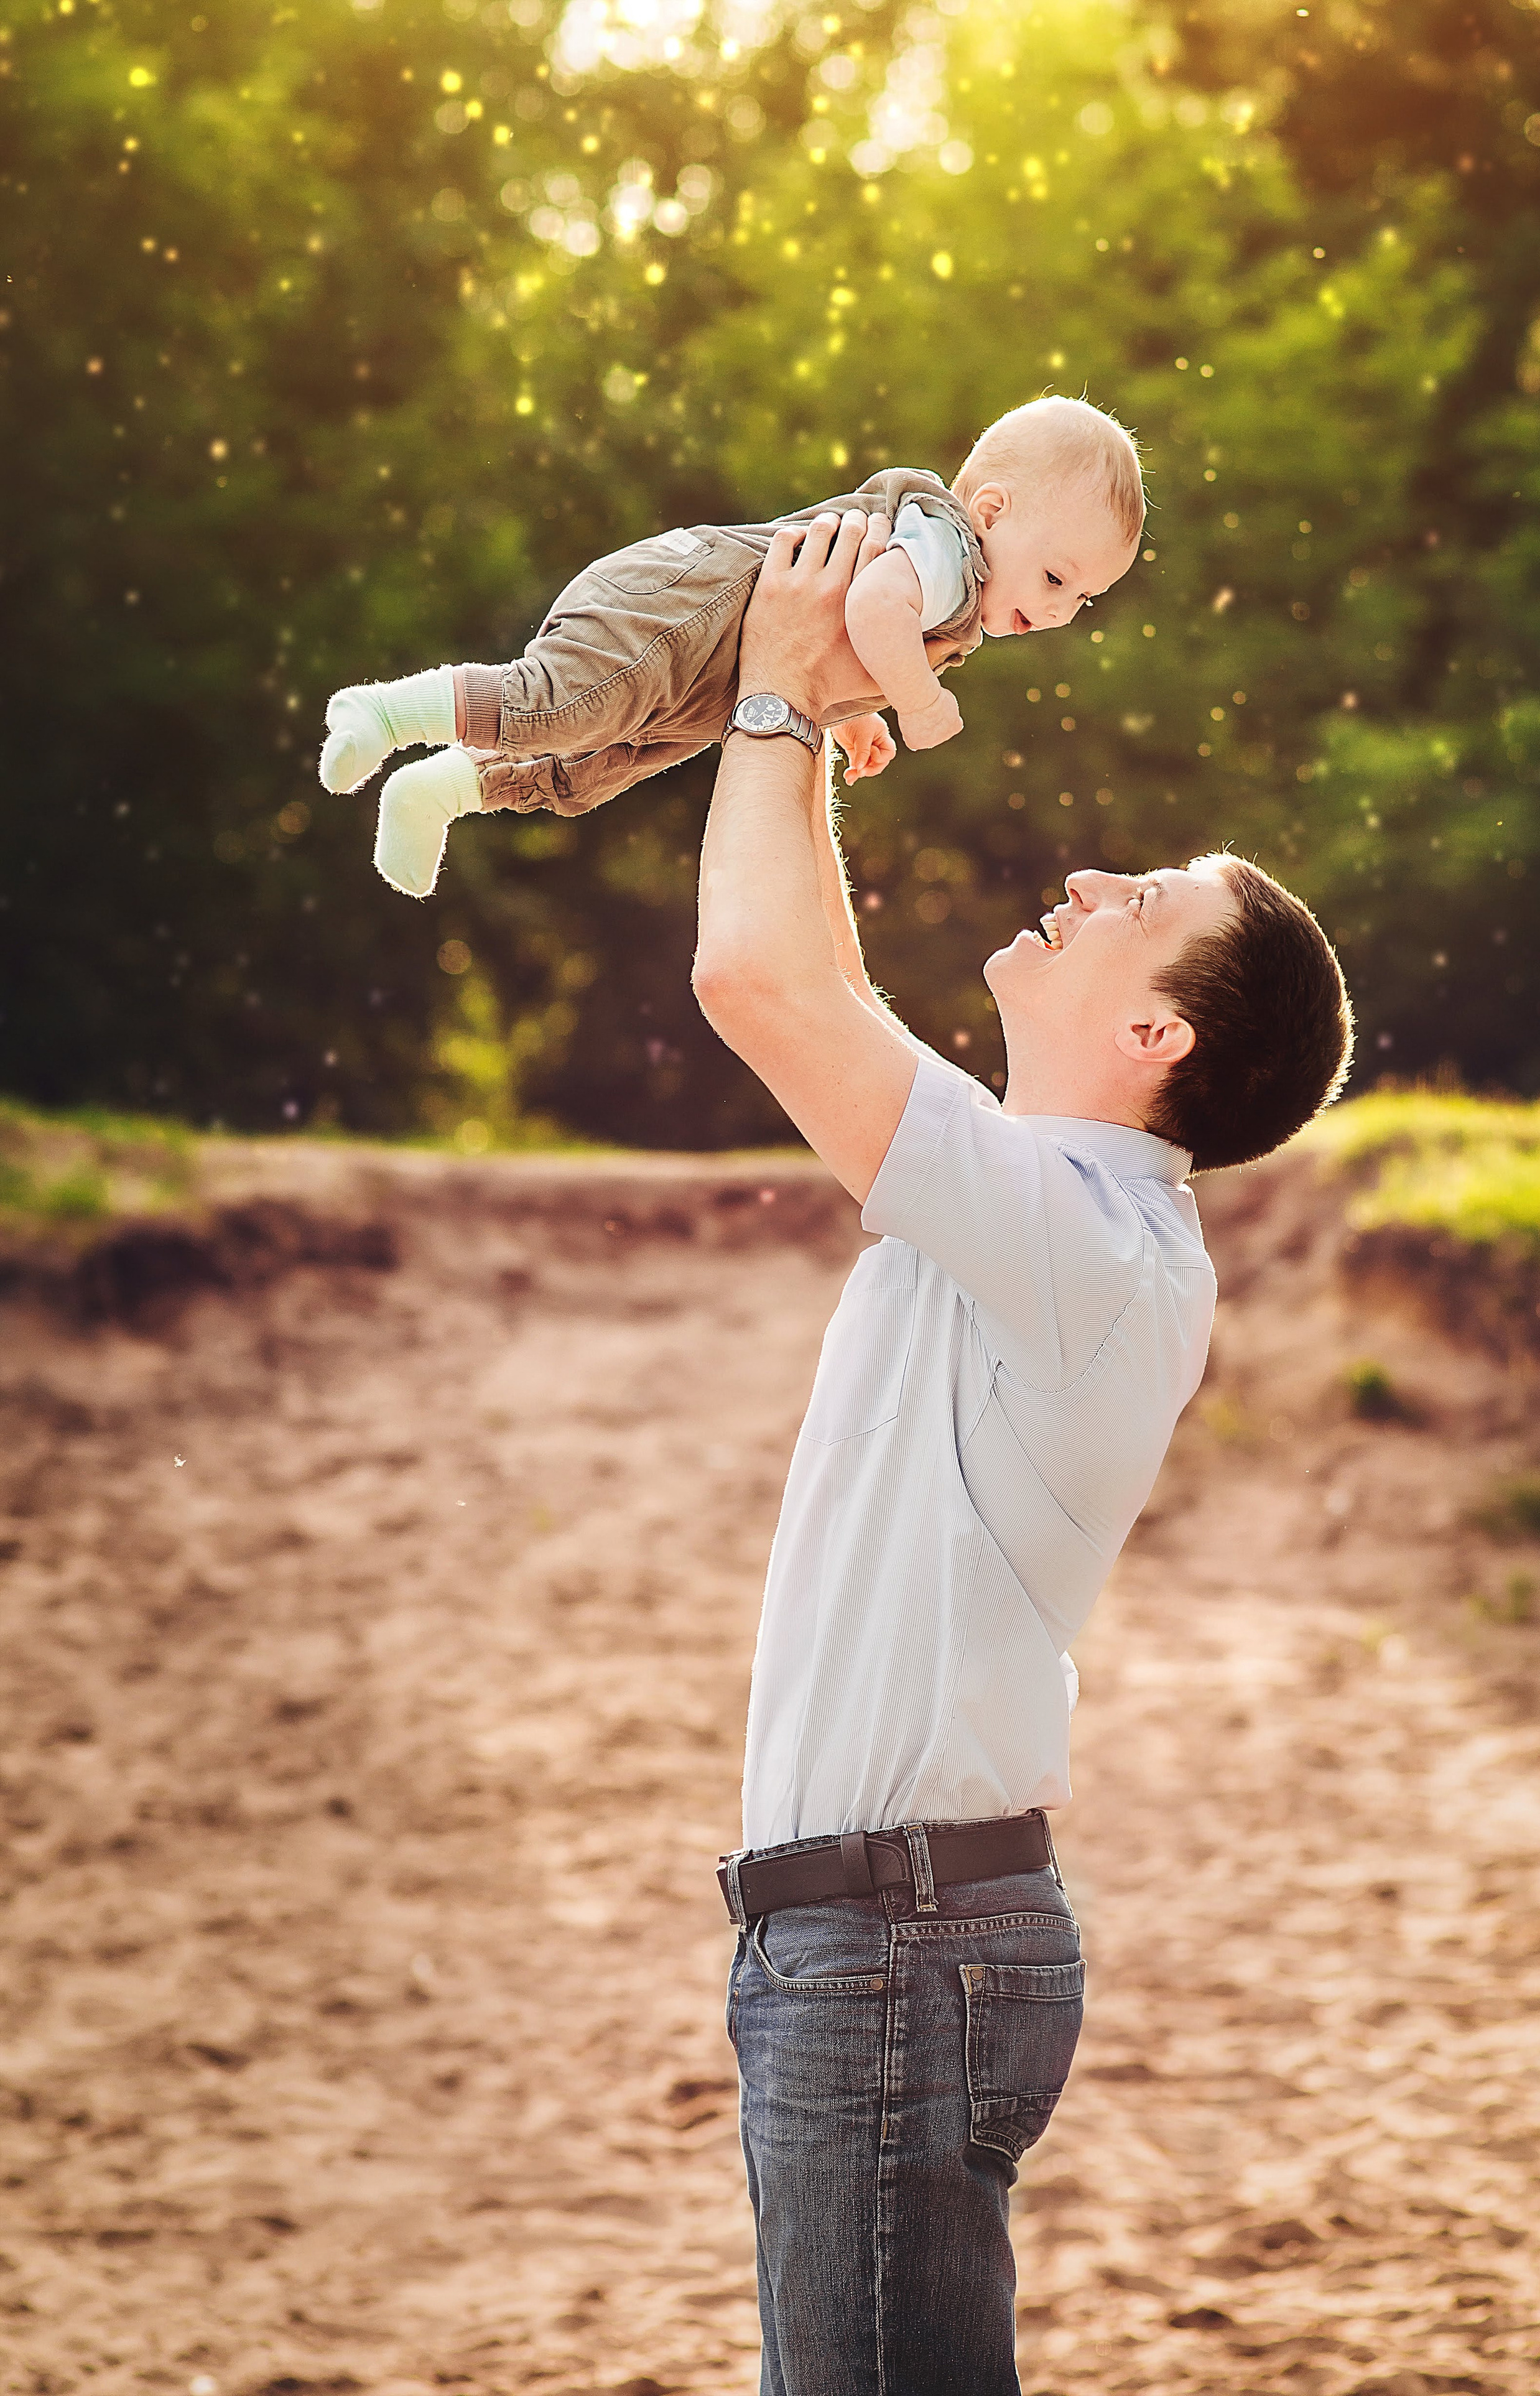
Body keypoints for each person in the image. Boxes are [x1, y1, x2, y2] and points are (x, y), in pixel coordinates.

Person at [690, 507, 1353, 2394]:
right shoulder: (1043, 1205)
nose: (1088, 874)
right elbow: (819, 980)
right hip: (879, 1939)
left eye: (1141, 896)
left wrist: (767, 691)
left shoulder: (1087, 1238)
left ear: (1155, 1024)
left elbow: (759, 987)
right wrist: (807, 716)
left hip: (896, 1947)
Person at [317, 395, 1142, 897]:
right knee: (562, 705)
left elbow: (851, 634)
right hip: (682, 610)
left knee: (593, 767)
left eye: (1084, 599)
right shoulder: (950, 550)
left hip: (712, 674)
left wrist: (855, 713)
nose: (1064, 611)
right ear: (992, 512)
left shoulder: (950, 579)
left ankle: (439, 792)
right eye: (1058, 578)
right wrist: (920, 700)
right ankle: (385, 712)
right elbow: (874, 604)